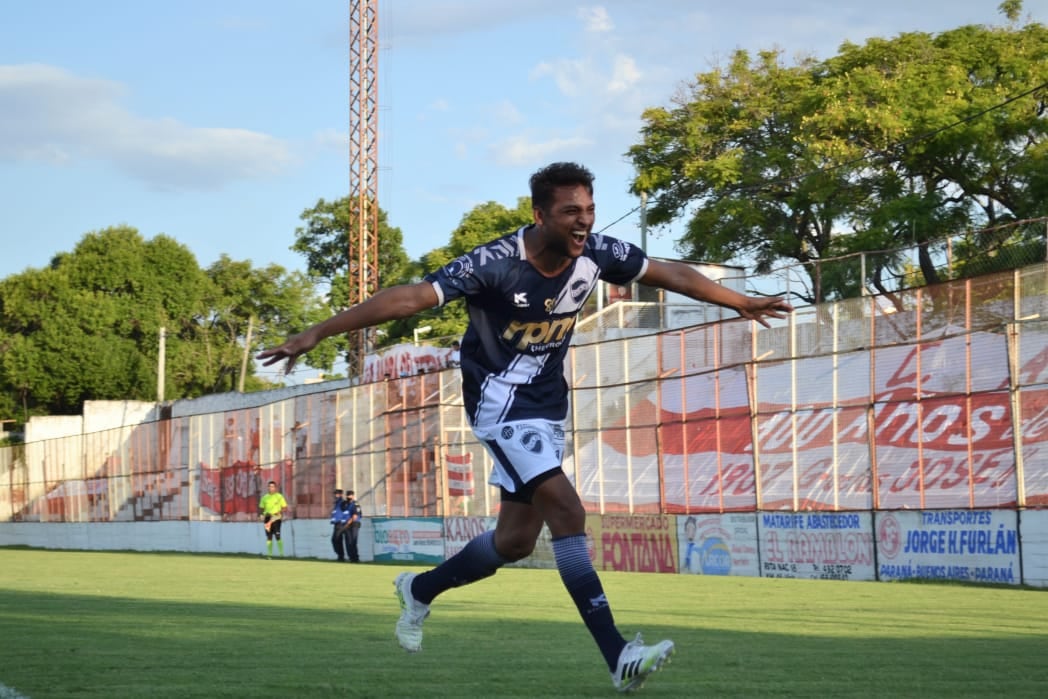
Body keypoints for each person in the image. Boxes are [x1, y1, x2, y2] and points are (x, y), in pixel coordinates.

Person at [257, 162, 793, 692]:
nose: (583, 222)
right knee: (568, 508)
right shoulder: (494, 263)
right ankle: (618, 655)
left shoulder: (599, 254)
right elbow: (411, 297)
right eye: (569, 212)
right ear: (539, 215)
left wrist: (740, 301)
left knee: (513, 542)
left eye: (588, 210)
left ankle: (419, 589)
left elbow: (668, 273)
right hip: (499, 406)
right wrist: (317, 332)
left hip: (547, 408)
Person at [258, 480, 289, 558]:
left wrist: (279, 512)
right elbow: (261, 508)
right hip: (267, 518)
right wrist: (261, 515)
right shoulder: (264, 497)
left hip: (276, 518)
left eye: (272, 486)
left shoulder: (279, 496)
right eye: (269, 486)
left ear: (275, 488)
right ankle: (269, 555)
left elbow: (285, 507)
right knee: (269, 536)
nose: (270, 488)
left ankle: (281, 554)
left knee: (277, 535)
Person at [330, 488, 351, 561]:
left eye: (337, 494)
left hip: (340, 523)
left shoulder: (342, 502)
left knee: (335, 539)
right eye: (335, 494)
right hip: (337, 523)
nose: (336, 495)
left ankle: (341, 555)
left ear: (341, 494)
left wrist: (344, 521)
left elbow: (346, 512)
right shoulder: (337, 503)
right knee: (337, 540)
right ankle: (340, 556)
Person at [344, 490, 363, 563]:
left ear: (353, 496)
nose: (348, 496)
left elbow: (355, 516)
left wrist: (347, 523)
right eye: (347, 495)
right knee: (348, 542)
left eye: (350, 495)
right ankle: (351, 558)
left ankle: (355, 558)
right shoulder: (346, 504)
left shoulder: (355, 504)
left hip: (354, 524)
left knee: (353, 541)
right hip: (348, 524)